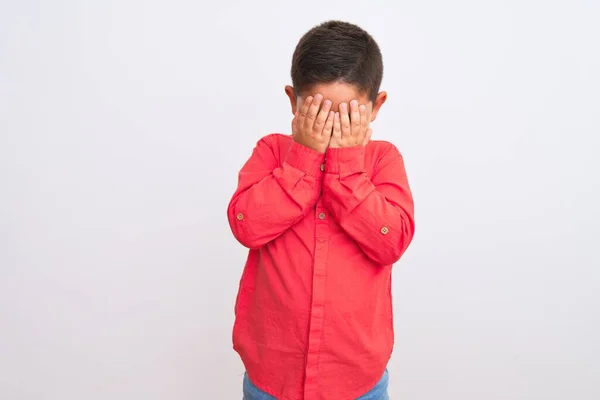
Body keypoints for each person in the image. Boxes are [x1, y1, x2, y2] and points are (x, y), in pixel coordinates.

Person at [227, 20, 415, 400]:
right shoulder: (272, 153)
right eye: (317, 111)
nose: (330, 127)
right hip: (272, 375)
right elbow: (247, 225)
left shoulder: (383, 161)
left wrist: (347, 167)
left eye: (347, 114)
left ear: (375, 106)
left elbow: (391, 241)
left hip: (356, 378)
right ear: (293, 100)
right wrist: (302, 160)